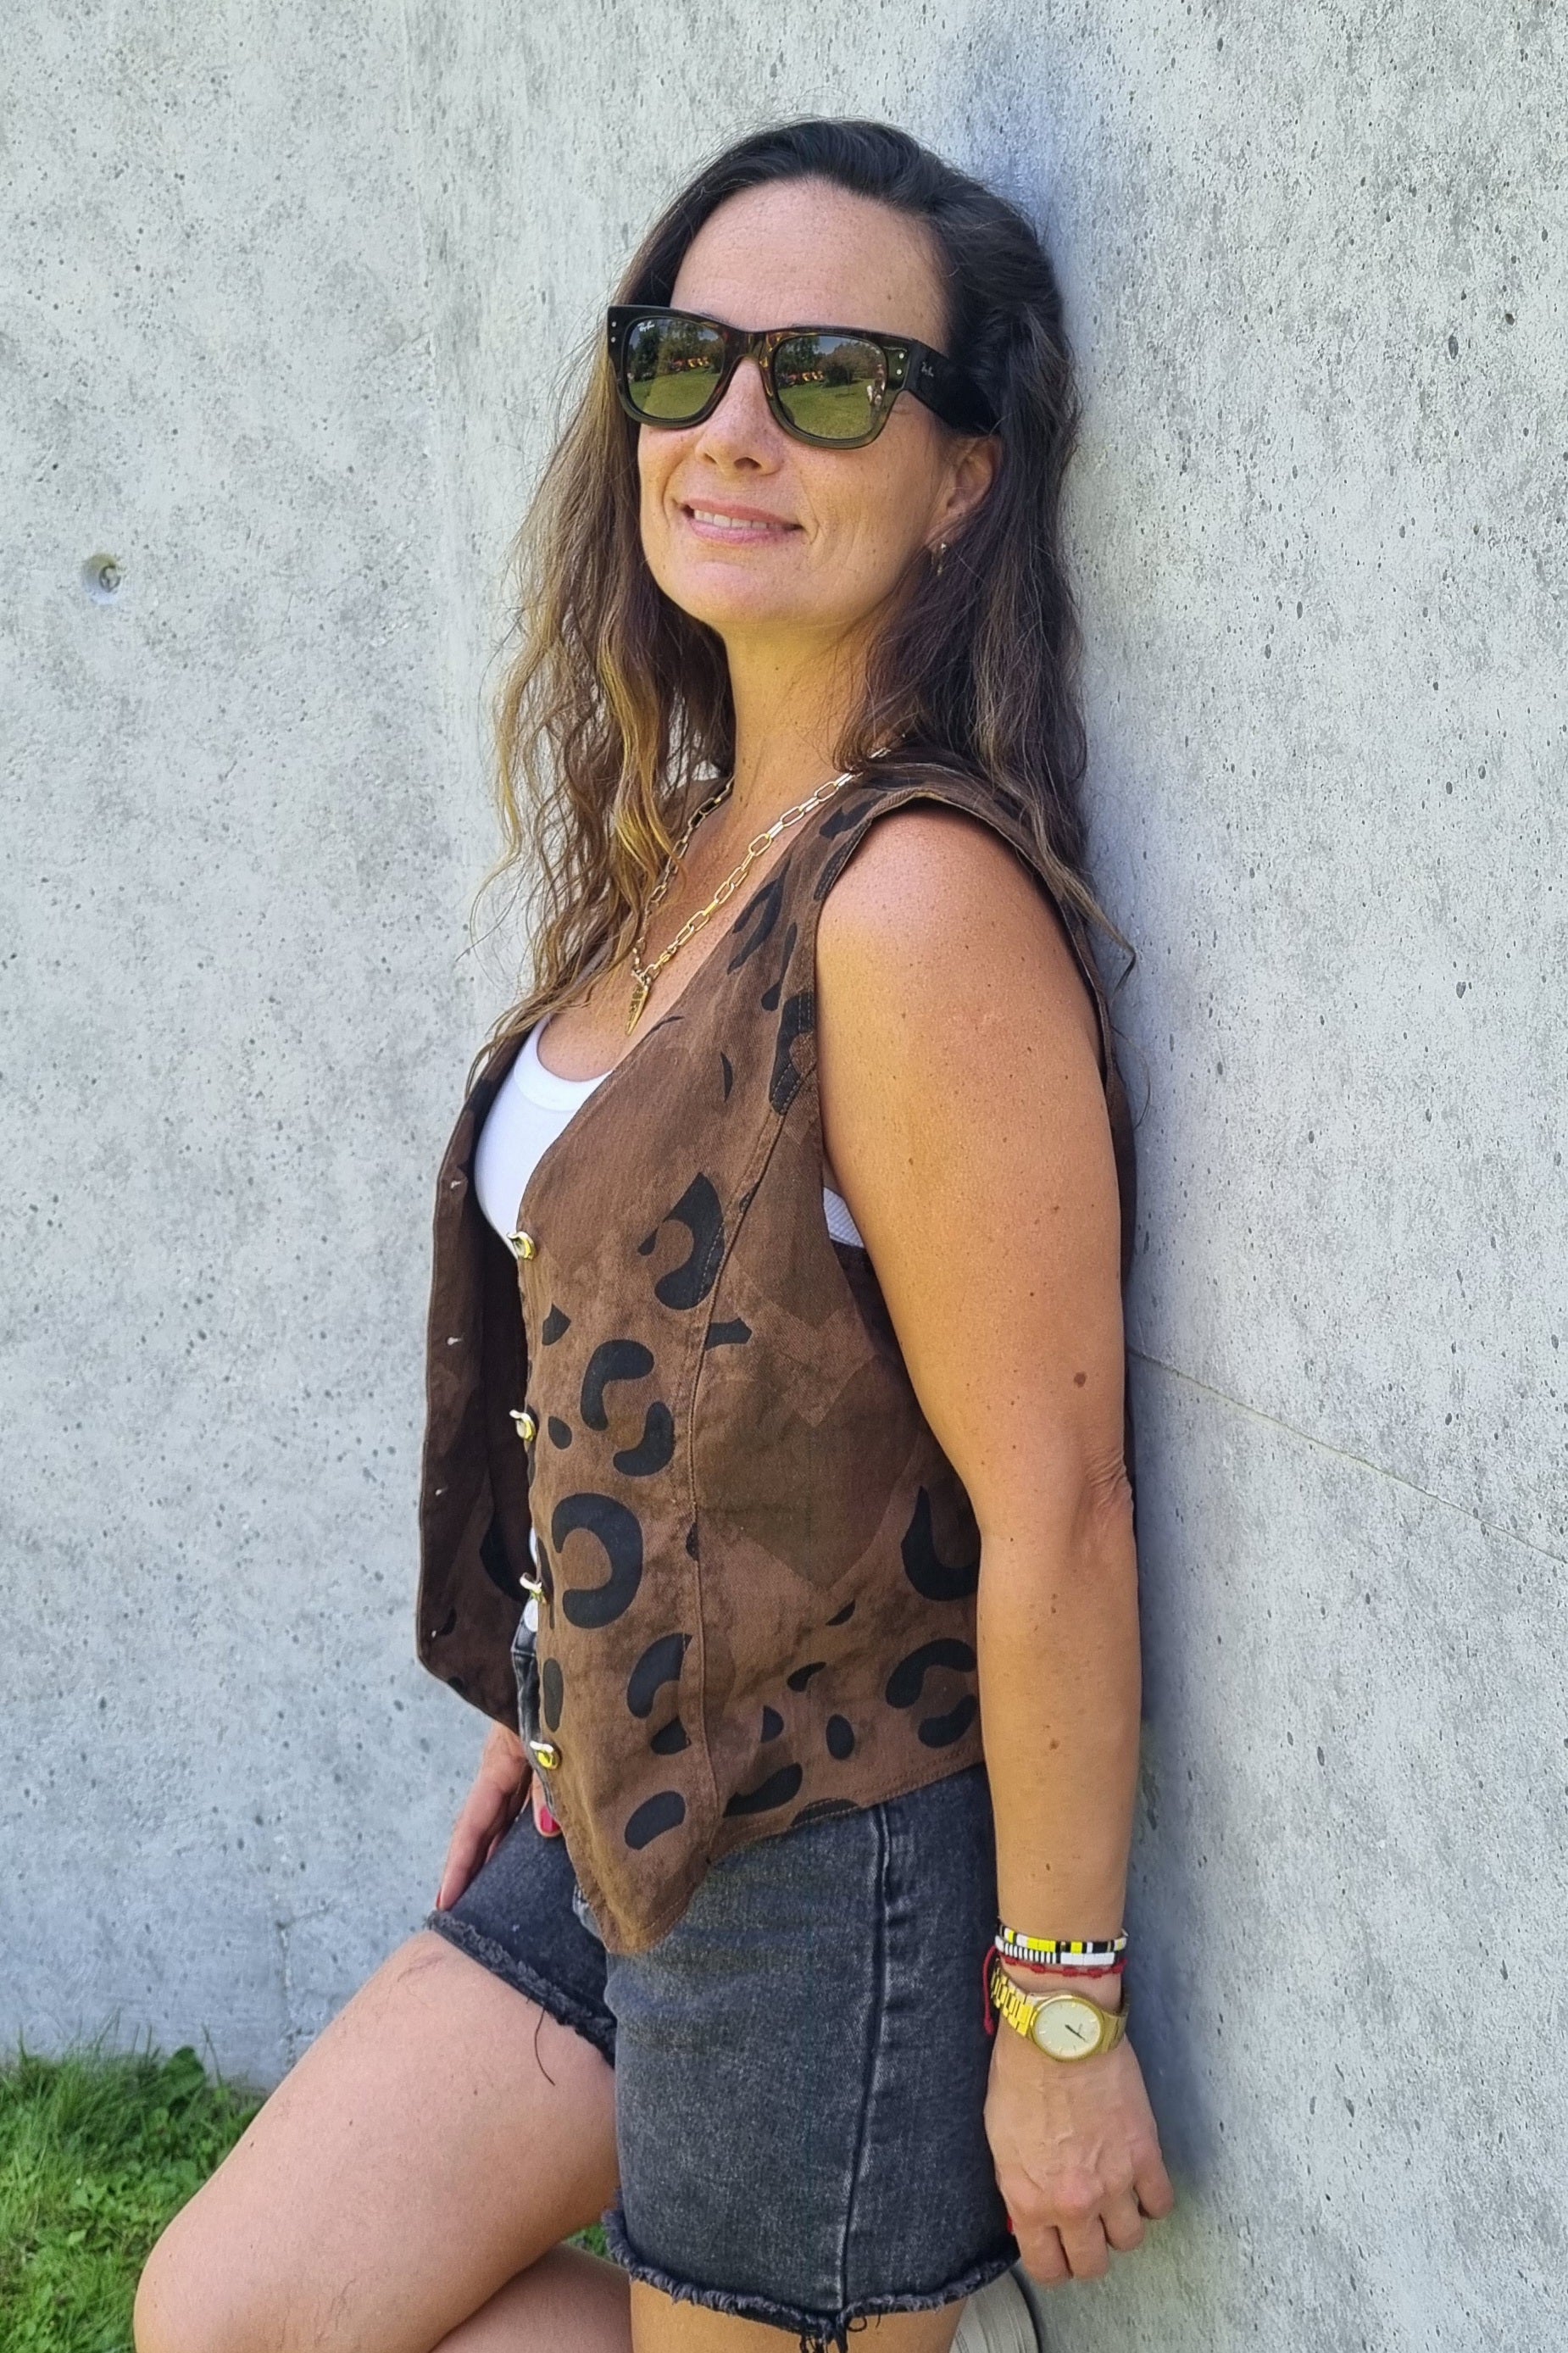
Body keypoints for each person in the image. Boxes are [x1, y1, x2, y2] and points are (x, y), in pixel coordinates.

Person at [136, 116, 1175, 2353]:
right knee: (236, 2312)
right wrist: (561, 1670)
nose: (732, 429)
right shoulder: (697, 844)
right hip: (619, 1796)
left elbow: (1061, 1505)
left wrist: (1060, 2014)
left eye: (829, 382)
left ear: (962, 480)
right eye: (683, 361)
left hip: (824, 1883)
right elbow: (683, 1367)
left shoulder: (909, 906)